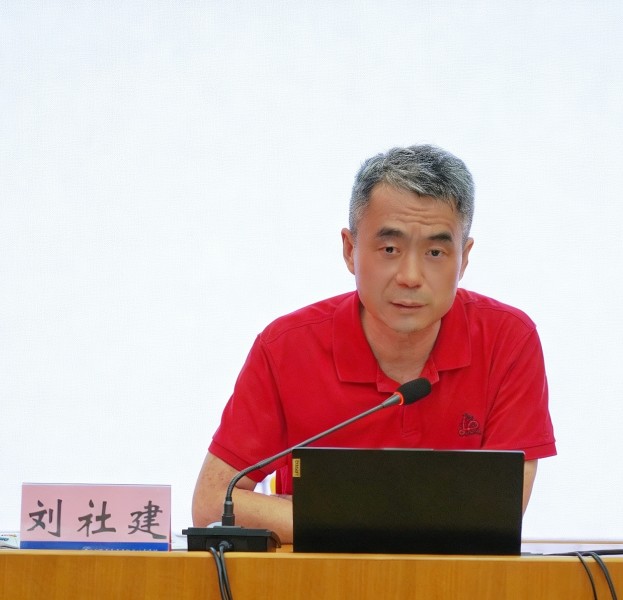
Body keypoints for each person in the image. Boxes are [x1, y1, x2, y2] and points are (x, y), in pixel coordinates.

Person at [192, 144, 556, 543]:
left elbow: (495, 513)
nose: (410, 276)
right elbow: (213, 502)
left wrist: (335, 518)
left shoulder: (508, 340)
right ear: (350, 250)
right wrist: (399, 519)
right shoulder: (286, 348)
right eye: (390, 249)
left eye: (435, 252)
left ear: (464, 259)